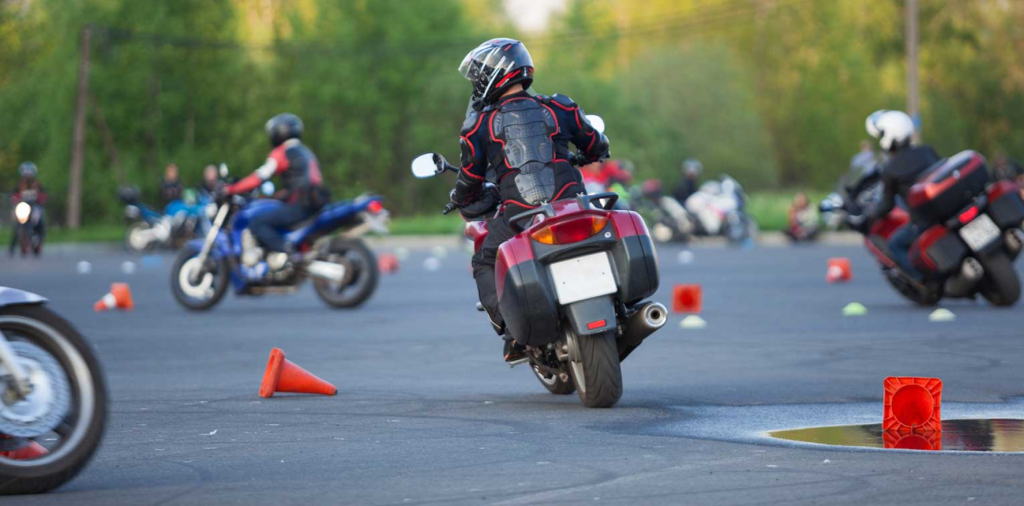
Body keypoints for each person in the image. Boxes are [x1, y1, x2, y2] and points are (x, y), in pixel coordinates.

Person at [449, 38, 609, 361]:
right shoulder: (560, 107)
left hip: (520, 220)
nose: (476, 83)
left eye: (479, 75)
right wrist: (583, 154)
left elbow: (470, 179)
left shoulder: (479, 125)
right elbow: (596, 144)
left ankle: (512, 333)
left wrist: (458, 197)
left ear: (494, 75)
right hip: (573, 207)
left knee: (484, 259)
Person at [222, 113, 328, 267]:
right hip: (315, 202)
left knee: (256, 221)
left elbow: (259, 176)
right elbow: (302, 182)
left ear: (279, 132)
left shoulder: (283, 151)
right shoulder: (305, 151)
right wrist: (278, 197)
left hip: (300, 204)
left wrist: (232, 189)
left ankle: (287, 251)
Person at [852, 110, 940, 280]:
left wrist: (869, 218)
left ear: (889, 136)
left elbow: (887, 204)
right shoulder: (927, 151)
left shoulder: (891, 168)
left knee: (895, 245)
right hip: (947, 208)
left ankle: (925, 282)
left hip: (925, 220)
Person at [9, 161, 47, 255]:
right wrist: (14, 199)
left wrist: (41, 199)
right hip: (23, 207)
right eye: (26, 172)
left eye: (29, 172)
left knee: (39, 220)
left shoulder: (37, 184)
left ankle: (39, 240)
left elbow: (43, 194)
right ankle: (13, 246)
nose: (27, 175)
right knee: (17, 224)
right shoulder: (19, 185)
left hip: (35, 207)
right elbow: (13, 195)